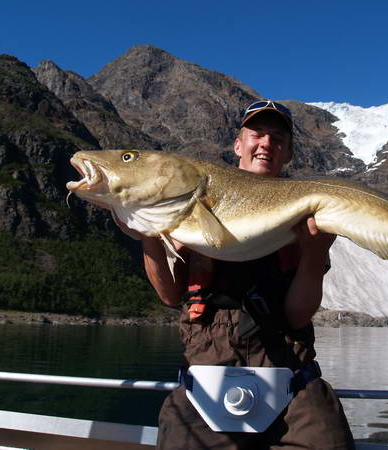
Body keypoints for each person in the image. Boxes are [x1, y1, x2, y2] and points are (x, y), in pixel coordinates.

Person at [129, 101, 355, 449]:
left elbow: (297, 314)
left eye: (277, 139)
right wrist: (147, 233)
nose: (266, 143)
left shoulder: (308, 215)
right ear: (238, 145)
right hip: (204, 378)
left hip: (291, 377)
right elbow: (171, 295)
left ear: (289, 153)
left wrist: (313, 254)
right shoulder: (192, 199)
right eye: (257, 134)